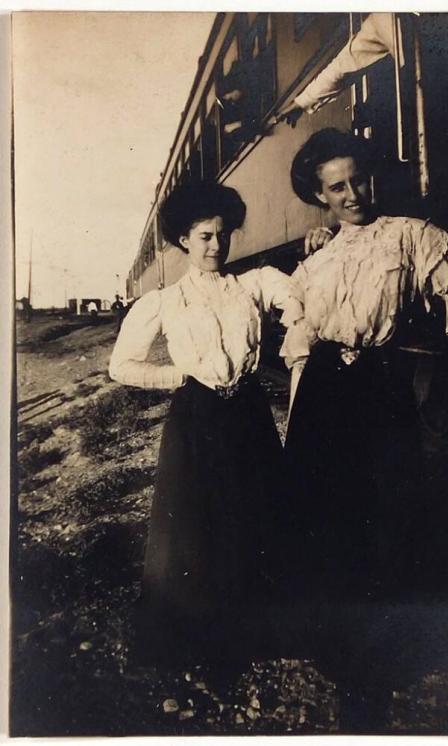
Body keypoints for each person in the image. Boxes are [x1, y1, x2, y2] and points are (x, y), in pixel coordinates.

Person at [280, 128, 448, 605]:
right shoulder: (315, 260)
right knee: (326, 509)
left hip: (378, 387)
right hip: (321, 392)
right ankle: (332, 628)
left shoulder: (411, 234)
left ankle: (384, 634)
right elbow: (301, 345)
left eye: (358, 180)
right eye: (338, 187)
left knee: (387, 506)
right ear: (321, 195)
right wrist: (295, 417)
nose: (352, 195)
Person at [108, 181, 300, 668]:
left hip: (248, 414)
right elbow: (122, 365)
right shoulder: (163, 302)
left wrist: (297, 318)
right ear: (184, 242)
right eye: (205, 236)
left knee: (254, 512)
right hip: (196, 416)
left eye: (223, 234)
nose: (217, 245)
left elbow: (293, 294)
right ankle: (204, 639)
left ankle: (257, 630)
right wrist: (178, 376)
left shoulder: (252, 284)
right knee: (197, 524)